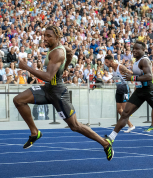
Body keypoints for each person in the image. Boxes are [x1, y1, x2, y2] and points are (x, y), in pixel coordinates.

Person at [13, 26, 112, 161]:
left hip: (58, 93)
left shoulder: (58, 52)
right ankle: (35, 132)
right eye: (44, 35)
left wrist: (26, 68)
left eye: (49, 36)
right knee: (18, 100)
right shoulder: (59, 48)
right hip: (48, 89)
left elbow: (48, 76)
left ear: (57, 37)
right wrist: (64, 68)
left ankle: (105, 143)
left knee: (75, 126)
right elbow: (70, 53)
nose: (45, 38)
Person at [104, 55, 135, 133]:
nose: (106, 64)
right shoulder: (112, 69)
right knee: (119, 110)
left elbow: (131, 73)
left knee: (124, 110)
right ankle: (130, 125)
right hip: (118, 89)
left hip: (124, 88)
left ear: (111, 61)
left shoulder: (120, 67)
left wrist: (132, 80)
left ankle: (129, 125)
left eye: (107, 62)